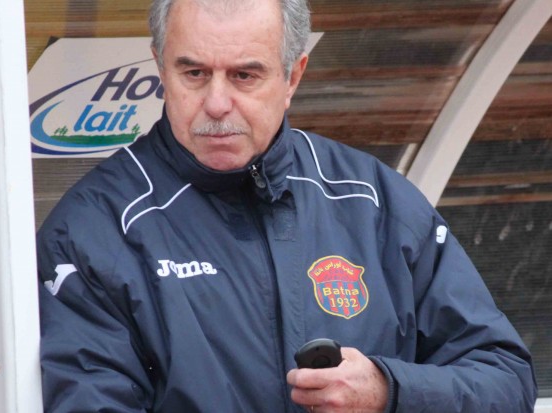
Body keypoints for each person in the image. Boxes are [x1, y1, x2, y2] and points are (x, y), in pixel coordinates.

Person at [37, 0, 538, 411]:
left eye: (244, 76)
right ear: (161, 68)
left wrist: (389, 392)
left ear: (293, 76)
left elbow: (507, 381)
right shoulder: (94, 231)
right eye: (194, 73)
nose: (216, 103)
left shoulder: (373, 201)